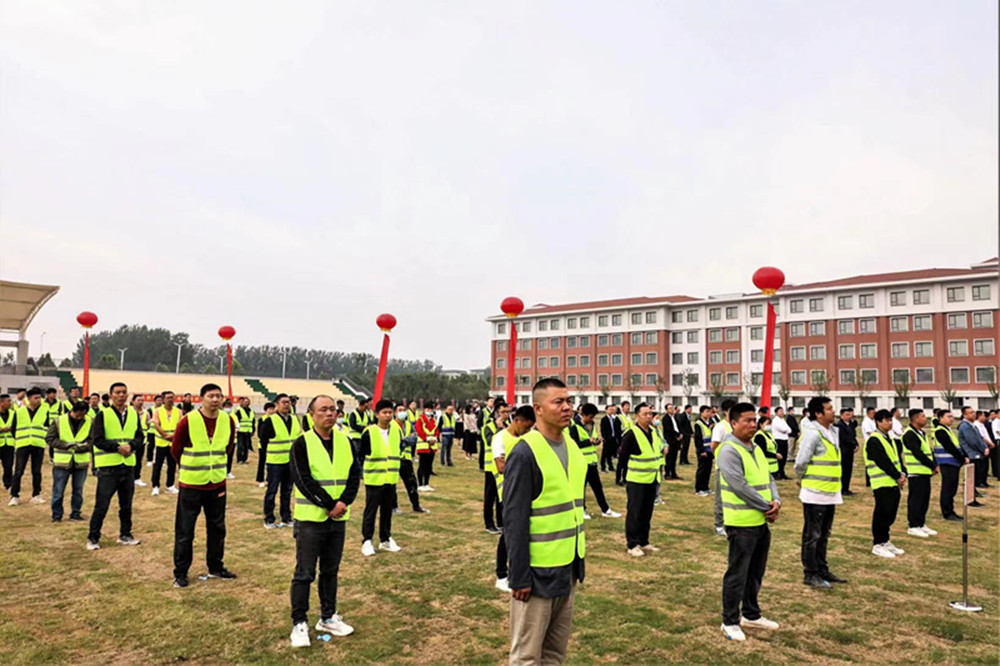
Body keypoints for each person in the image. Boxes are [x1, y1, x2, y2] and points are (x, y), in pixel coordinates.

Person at [504, 378, 585, 665]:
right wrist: (519, 575)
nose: (567, 407)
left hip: (568, 566)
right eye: (558, 402)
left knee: (554, 653)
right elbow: (514, 521)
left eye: (569, 401)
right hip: (537, 574)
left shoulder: (572, 447)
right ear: (538, 408)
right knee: (527, 654)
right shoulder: (524, 453)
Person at [289, 395, 360, 647]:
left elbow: (354, 475)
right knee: (305, 573)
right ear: (311, 414)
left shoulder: (345, 441)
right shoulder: (302, 443)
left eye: (332, 409)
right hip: (311, 519)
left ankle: (328, 616)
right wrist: (330, 504)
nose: (329, 414)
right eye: (323, 410)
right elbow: (303, 479)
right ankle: (299, 623)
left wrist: (344, 502)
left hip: (338, 519)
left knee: (330, 571)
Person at [717, 402, 781, 642]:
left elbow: (768, 478)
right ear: (733, 423)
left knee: (755, 572)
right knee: (737, 573)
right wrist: (766, 507)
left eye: (755, 420)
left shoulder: (754, 448)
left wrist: (776, 500)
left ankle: (751, 614)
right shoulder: (728, 451)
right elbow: (739, 486)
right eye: (747, 420)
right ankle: (729, 621)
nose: (753, 424)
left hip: (760, 521)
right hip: (742, 522)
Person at [171, 383, 236, 587]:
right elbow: (176, 449)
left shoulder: (227, 420)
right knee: (185, 531)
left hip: (216, 483)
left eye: (218, 396)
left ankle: (215, 566)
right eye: (211, 396)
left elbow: (228, 447)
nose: (215, 400)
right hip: (192, 484)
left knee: (217, 528)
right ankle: (181, 572)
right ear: (201, 398)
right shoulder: (188, 420)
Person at [794, 396, 846, 588]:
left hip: (830, 492)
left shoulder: (832, 431)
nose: (833, 411)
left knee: (824, 535)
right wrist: (802, 479)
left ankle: (822, 569)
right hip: (815, 492)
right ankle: (810, 573)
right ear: (818, 413)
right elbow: (801, 462)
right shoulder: (812, 434)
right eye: (829, 408)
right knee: (812, 536)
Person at [87, 382, 142, 550]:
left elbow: (140, 436)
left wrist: (131, 446)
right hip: (108, 467)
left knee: (126, 505)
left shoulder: (133, 414)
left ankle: (126, 534)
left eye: (124, 392)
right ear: (111, 395)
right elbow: (98, 440)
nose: (121, 395)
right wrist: (118, 447)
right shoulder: (103, 415)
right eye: (117, 392)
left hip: (128, 466)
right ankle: (93, 538)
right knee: (102, 505)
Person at [490, 405, 537, 592]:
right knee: (508, 535)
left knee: (523, 533)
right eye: (526, 427)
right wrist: (521, 462)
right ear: (517, 420)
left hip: (526, 493)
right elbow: (500, 467)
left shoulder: (527, 438)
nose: (528, 430)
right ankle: (501, 575)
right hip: (507, 492)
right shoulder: (500, 438)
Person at [358, 400, 403, 557]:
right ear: (377, 414)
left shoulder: (396, 431)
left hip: (390, 478)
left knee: (387, 511)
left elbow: (398, 450)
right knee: (371, 511)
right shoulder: (369, 432)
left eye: (390, 412)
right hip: (374, 478)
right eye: (384, 412)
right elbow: (361, 454)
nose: (388, 415)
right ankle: (367, 540)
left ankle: (385, 539)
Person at [864, 410, 906, 558]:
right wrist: (897, 475)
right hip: (881, 482)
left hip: (892, 482)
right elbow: (882, 461)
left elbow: (896, 459)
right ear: (878, 422)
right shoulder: (874, 440)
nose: (889, 423)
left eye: (890, 420)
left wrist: (902, 474)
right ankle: (878, 543)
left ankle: (885, 540)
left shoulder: (890, 439)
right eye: (886, 420)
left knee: (890, 513)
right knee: (882, 512)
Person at [569, 403, 621, 520]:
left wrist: (597, 441)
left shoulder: (592, 425)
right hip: (581, 463)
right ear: (583, 415)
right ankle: (582, 509)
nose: (591, 419)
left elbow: (594, 438)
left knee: (598, 487)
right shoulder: (575, 427)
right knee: (581, 488)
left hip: (592, 462)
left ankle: (605, 509)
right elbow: (574, 444)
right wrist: (589, 441)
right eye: (590, 417)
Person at [621, 403, 660, 557]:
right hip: (636, 480)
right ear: (637, 416)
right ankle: (633, 544)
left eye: (650, 414)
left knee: (646, 512)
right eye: (645, 414)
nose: (649, 417)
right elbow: (623, 457)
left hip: (651, 479)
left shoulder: (654, 432)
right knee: (635, 513)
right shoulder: (631, 434)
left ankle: (644, 541)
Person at [259, 393, 300, 528]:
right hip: (275, 462)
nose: (287, 405)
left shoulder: (295, 419)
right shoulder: (270, 421)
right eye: (283, 402)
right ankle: (269, 518)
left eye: (288, 402)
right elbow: (263, 441)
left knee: (287, 491)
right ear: (276, 405)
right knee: (272, 491)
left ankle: (286, 517)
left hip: (290, 462)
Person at [47, 401, 91, 522]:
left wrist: (84, 447)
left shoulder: (90, 421)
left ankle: (75, 513)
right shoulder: (59, 421)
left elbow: (93, 440)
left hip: (80, 462)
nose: (80, 417)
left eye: (83, 415)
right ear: (73, 411)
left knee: (78, 490)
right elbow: (50, 439)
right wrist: (65, 445)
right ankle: (56, 515)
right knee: (58, 490)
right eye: (78, 415)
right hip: (62, 462)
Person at [900, 408, 938, 538]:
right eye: (923, 416)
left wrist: (933, 465)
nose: (925, 419)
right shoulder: (909, 434)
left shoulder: (921, 433)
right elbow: (918, 453)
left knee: (924, 499)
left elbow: (928, 451)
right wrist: (932, 465)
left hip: (925, 472)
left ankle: (921, 523)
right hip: (915, 472)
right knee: (916, 500)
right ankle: (913, 525)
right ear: (916, 419)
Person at [11, 387, 50, 505]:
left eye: (39, 398)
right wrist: (19, 438)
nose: (38, 400)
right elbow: (13, 428)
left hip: (38, 444)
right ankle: (14, 496)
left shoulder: (44, 410)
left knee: (36, 471)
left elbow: (47, 426)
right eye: (35, 398)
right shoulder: (19, 411)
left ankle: (36, 495)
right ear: (29, 398)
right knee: (19, 471)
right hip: (22, 444)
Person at [391, 406, 427, 514]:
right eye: (399, 410)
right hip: (393, 458)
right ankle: (394, 506)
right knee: (392, 484)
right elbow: (393, 441)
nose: (402, 412)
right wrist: (405, 440)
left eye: (404, 410)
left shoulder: (408, 425)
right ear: (395, 412)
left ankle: (416, 505)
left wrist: (404, 440)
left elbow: (414, 438)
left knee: (411, 483)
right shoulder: (391, 425)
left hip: (406, 459)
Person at [933, 410, 967, 520]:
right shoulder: (940, 431)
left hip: (953, 463)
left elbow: (956, 446)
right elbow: (950, 447)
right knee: (948, 489)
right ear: (941, 418)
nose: (951, 419)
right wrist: (962, 458)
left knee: (952, 489)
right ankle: (947, 512)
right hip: (947, 463)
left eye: (952, 416)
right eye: (948, 416)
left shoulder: (948, 430)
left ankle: (951, 510)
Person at [481, 401, 509, 534]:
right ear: (496, 412)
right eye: (503, 412)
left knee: (501, 496)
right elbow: (490, 441)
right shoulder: (488, 427)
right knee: (490, 496)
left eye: (507, 412)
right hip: (491, 467)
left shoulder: (508, 426)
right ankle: (489, 524)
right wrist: (498, 428)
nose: (506, 415)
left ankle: (501, 522)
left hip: (504, 466)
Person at [712, 400, 736, 537]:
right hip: (722, 467)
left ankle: (730, 522)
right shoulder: (720, 427)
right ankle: (719, 524)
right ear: (726, 411)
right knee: (720, 497)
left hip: (735, 467)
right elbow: (714, 445)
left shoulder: (735, 425)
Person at [152, 390, 181, 497]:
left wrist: (173, 437)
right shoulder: (158, 411)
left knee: (172, 465)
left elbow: (180, 425)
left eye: (172, 397)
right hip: (161, 442)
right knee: (158, 465)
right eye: (168, 398)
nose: (170, 400)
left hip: (173, 442)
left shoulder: (178, 411)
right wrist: (165, 436)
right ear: (163, 399)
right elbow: (156, 424)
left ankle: (170, 485)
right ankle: (155, 486)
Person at [957, 406, 987, 507]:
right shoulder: (965, 426)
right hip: (971, 454)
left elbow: (979, 438)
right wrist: (983, 449)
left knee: (974, 476)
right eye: (970, 413)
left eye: (973, 412)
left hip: (976, 453)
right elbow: (972, 441)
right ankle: (970, 499)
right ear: (965, 415)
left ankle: (973, 493)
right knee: (971, 477)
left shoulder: (972, 425)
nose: (973, 414)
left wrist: (985, 447)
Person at [414, 403, 439, 491]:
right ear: (424, 410)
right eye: (427, 409)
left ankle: (426, 483)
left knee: (428, 466)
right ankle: (420, 484)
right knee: (422, 465)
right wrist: (427, 439)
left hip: (432, 446)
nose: (429, 411)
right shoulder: (420, 419)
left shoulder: (433, 420)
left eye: (431, 409)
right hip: (423, 445)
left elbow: (436, 430)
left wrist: (435, 438)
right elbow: (419, 430)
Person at [834, 409, 858, 496]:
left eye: (849, 415)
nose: (849, 416)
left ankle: (846, 488)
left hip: (850, 451)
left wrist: (856, 445)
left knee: (848, 470)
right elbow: (844, 438)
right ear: (841, 416)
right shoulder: (840, 425)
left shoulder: (850, 424)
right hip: (844, 450)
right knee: (844, 470)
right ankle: (842, 489)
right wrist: (852, 444)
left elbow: (853, 436)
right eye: (847, 415)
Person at [694, 405, 714, 496]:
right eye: (707, 412)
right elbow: (698, 439)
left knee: (708, 470)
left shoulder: (710, 422)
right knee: (702, 470)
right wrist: (701, 451)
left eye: (709, 412)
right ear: (702, 413)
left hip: (709, 449)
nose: (709, 414)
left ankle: (705, 487)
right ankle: (699, 489)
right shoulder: (698, 423)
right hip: (703, 450)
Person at [130, 395, 149, 487]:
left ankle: (137, 477)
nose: (140, 402)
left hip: (141, 440)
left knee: (139, 459)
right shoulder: (128, 412)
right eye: (138, 400)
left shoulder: (146, 413)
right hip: (130, 439)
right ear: (133, 401)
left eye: (142, 400)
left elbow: (148, 425)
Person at [973, 411, 995, 488]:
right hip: (982, 447)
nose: (985, 417)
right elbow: (981, 437)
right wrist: (990, 443)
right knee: (981, 466)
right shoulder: (976, 425)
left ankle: (984, 481)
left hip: (987, 446)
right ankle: (979, 481)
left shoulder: (982, 424)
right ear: (979, 416)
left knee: (986, 465)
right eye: (983, 416)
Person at [256, 401, 275, 487]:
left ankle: (269, 479)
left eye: (272, 409)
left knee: (270, 464)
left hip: (273, 446)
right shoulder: (262, 419)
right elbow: (260, 433)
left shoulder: (275, 419)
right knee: (262, 463)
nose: (271, 411)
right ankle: (260, 479)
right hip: (263, 445)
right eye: (269, 409)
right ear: (265, 410)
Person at [662, 404, 683, 480]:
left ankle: (673, 473)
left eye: (672, 408)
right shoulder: (665, 418)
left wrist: (680, 434)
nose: (672, 409)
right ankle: (667, 474)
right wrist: (677, 435)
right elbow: (669, 429)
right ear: (667, 410)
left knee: (674, 457)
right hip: (670, 440)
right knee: (669, 457)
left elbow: (678, 427)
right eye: (670, 408)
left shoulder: (675, 417)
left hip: (676, 440)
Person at [615, 402, 633, 486]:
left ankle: (625, 478)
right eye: (626, 406)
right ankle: (618, 479)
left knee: (627, 462)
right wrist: (619, 444)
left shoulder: (629, 417)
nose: (628, 408)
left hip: (630, 441)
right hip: (622, 441)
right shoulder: (619, 418)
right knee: (621, 462)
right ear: (622, 407)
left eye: (629, 406)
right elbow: (617, 432)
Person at [599, 404, 619, 475]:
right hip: (607, 439)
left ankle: (610, 467)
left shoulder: (613, 419)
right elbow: (603, 429)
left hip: (613, 438)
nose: (611, 411)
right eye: (610, 409)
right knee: (604, 454)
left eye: (612, 409)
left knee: (610, 454)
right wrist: (605, 438)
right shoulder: (604, 419)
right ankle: (603, 468)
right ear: (606, 410)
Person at [234, 397, 255, 465]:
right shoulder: (239, 411)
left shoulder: (251, 411)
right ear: (242, 403)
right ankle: (239, 459)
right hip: (240, 431)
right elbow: (236, 421)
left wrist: (253, 430)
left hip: (248, 431)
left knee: (246, 446)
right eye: (245, 402)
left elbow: (253, 422)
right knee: (240, 446)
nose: (246, 403)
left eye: (247, 402)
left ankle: (244, 459)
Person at [0, 394, 14, 491]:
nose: (10, 403)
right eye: (8, 401)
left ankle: (8, 484)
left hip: (9, 444)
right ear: (1, 403)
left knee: (8, 466)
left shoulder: (13, 414)